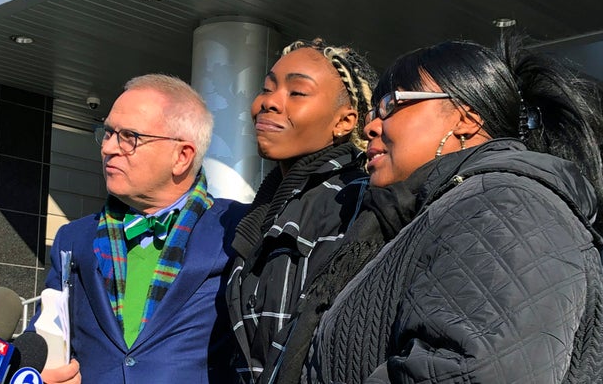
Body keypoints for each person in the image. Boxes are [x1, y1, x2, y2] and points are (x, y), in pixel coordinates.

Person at [301, 35, 603, 383]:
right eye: (372, 111)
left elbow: (478, 372)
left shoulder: (505, 202)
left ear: (466, 119)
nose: (369, 126)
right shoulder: (443, 214)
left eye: (391, 104)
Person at [37, 74, 246, 384]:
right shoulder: (73, 238)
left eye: (129, 137)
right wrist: (44, 371)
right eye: (107, 133)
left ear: (182, 156)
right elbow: (45, 337)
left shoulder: (237, 228)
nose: (108, 147)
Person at [226, 38, 378, 383]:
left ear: (344, 121)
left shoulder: (354, 202)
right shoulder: (264, 210)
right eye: (267, 88)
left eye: (297, 93)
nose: (269, 103)